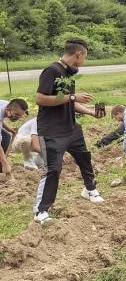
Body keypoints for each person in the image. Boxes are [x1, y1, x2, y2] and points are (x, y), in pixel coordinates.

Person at [34, 39, 105, 224]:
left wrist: (90, 112)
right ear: (78, 54)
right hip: (52, 131)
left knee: (84, 158)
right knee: (53, 170)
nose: (84, 61)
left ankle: (89, 189)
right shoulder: (52, 70)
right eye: (85, 57)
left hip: (71, 129)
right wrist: (72, 96)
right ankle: (41, 211)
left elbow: (68, 102)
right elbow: (40, 99)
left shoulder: (67, 73)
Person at [0, 98, 29, 179]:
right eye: (16, 115)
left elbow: (1, 120)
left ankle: (1, 167)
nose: (17, 117)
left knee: (6, 136)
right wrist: (5, 163)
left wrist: (9, 129)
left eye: (20, 116)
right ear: (8, 110)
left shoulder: (7, 105)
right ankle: (3, 165)